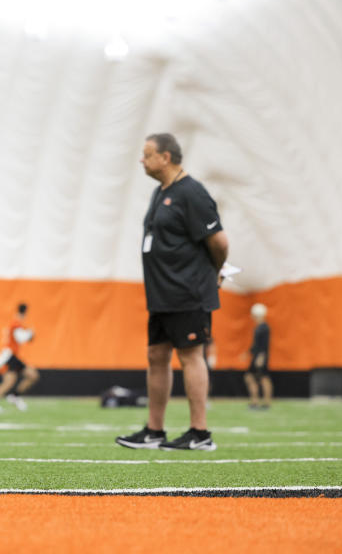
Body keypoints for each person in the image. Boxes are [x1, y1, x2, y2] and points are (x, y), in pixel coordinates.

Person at [115, 133, 229, 451]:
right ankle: (155, 430)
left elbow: (219, 242)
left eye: (147, 154)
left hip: (187, 291)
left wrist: (215, 271)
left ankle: (200, 433)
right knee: (156, 356)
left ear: (166, 157)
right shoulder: (159, 193)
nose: (142, 159)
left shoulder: (192, 193)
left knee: (191, 356)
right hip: (162, 294)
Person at [0, 303, 39, 413]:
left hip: (12, 356)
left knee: (32, 376)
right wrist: (30, 333)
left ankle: (15, 396)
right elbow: (21, 337)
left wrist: (29, 334)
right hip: (8, 356)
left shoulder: (17, 323)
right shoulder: (15, 323)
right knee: (9, 381)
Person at [242, 303, 272, 409]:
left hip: (260, 357)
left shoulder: (264, 328)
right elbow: (256, 345)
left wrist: (261, 356)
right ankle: (257, 401)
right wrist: (249, 353)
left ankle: (264, 402)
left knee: (263, 378)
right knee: (255, 377)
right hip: (257, 356)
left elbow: (264, 345)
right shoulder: (259, 327)